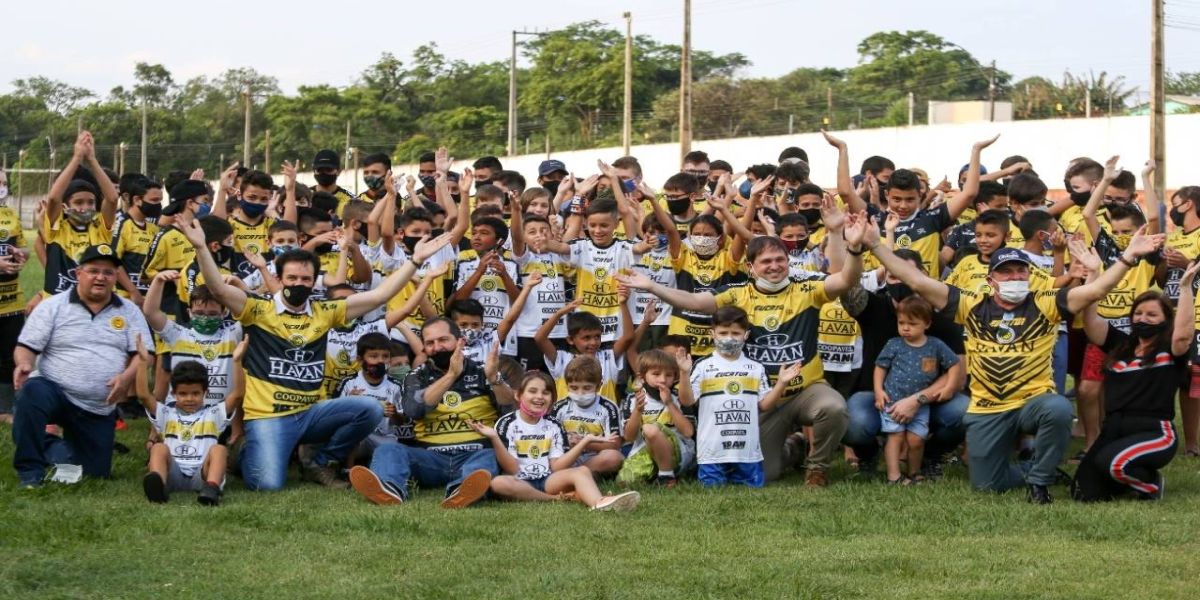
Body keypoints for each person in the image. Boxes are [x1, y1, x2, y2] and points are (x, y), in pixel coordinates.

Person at [866, 218, 1164, 503]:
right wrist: (874, 245)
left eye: (1021, 272)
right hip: (988, 407)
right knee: (986, 485)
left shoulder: (1047, 302)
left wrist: (1128, 256)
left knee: (1058, 409)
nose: (1015, 277)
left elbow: (1096, 290)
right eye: (1006, 272)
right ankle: (1032, 470)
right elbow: (913, 278)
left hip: (1031, 403)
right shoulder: (970, 304)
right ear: (991, 279)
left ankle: (1040, 482)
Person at [177, 217, 454, 491]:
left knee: (370, 408)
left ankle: (318, 461)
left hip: (310, 413)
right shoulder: (257, 308)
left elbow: (378, 296)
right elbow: (217, 288)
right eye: (292, 278)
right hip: (269, 416)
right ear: (278, 278)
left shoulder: (325, 311)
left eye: (305, 279)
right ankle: (245, 450)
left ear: (314, 282)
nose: (299, 283)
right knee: (267, 484)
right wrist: (202, 248)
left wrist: (415, 261)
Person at [617, 213, 870, 486]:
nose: (774, 266)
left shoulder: (807, 288)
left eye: (779, 260)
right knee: (768, 472)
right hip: (760, 399)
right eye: (766, 262)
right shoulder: (738, 292)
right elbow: (693, 300)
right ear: (751, 267)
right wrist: (653, 286)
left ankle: (817, 467)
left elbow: (846, 280)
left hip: (805, 390)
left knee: (833, 407)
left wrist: (854, 248)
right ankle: (795, 447)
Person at [12, 244, 152, 487]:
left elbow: (144, 354)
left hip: (97, 406)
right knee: (32, 392)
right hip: (54, 389)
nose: (101, 277)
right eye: (93, 271)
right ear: (79, 274)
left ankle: (52, 446)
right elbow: (26, 345)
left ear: (115, 277)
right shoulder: (53, 306)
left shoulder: (129, 311)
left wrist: (126, 378)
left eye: (108, 272)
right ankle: (30, 472)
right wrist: (24, 364)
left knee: (94, 473)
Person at [348, 317, 513, 507]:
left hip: (475, 453)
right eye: (430, 343)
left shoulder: (484, 371)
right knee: (388, 450)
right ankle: (389, 489)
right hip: (430, 459)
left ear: (460, 341)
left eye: (443, 340)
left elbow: (509, 409)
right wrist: (451, 375)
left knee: (490, 455)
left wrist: (494, 380)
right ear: (424, 348)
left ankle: (461, 491)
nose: (437, 347)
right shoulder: (415, 376)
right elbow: (414, 410)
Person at [472, 371, 641, 511]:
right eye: (532, 391)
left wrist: (585, 441)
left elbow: (557, 467)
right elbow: (512, 468)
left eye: (546, 392)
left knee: (581, 471)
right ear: (518, 395)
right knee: (498, 483)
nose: (539, 397)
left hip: (548, 480)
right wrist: (494, 437)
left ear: (552, 399)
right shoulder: (506, 423)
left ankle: (600, 502)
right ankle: (554, 499)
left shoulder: (554, 424)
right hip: (519, 480)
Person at [686, 306, 799, 488]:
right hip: (712, 449)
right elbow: (687, 400)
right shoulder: (702, 366)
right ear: (712, 333)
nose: (729, 338)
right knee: (712, 489)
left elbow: (764, 405)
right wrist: (684, 374)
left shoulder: (755, 367)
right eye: (723, 332)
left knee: (753, 488)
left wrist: (781, 383)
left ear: (746, 335)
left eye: (735, 333)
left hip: (746, 449)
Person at [135, 336, 242, 505]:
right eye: (183, 394)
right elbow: (143, 396)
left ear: (205, 393)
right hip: (173, 473)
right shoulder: (166, 412)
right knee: (158, 448)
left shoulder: (214, 413)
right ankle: (159, 488)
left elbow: (237, 395)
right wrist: (142, 362)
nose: (189, 399)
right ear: (173, 394)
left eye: (195, 393)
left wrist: (236, 361)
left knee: (219, 450)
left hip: (202, 475)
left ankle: (211, 490)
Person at [873, 296, 960, 484]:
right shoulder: (894, 344)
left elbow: (954, 364)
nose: (905, 328)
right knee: (895, 437)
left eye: (912, 323)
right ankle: (893, 475)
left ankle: (914, 472)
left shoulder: (935, 345)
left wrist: (950, 386)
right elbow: (880, 367)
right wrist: (879, 391)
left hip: (921, 405)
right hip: (892, 401)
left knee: (916, 440)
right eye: (901, 322)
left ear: (927, 324)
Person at [617, 349, 696, 487]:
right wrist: (637, 411)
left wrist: (669, 403)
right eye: (656, 374)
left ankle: (667, 476)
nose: (663, 380)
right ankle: (657, 473)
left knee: (650, 429)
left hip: (678, 452)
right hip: (645, 450)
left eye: (669, 375)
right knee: (625, 482)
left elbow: (688, 432)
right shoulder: (633, 399)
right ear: (642, 377)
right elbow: (629, 437)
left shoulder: (680, 396)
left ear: (675, 377)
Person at [549, 355, 625, 475]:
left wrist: (583, 443)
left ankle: (573, 475)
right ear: (566, 385)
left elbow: (615, 444)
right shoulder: (559, 407)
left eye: (587, 388)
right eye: (574, 388)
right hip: (567, 457)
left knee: (614, 457)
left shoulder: (608, 407)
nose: (580, 393)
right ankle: (578, 475)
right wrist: (566, 441)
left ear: (599, 386)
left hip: (594, 458)